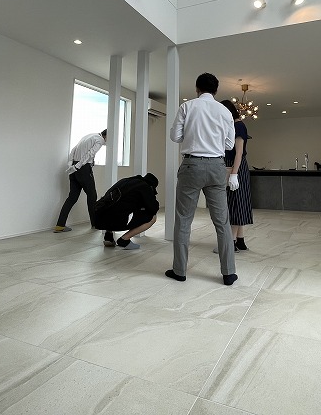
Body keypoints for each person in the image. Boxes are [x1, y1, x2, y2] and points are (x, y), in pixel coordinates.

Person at [167, 73, 238, 286]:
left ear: (197, 88)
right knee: (222, 222)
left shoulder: (187, 106)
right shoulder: (225, 111)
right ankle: (229, 273)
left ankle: (179, 271)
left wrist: (193, 136)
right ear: (216, 91)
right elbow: (229, 145)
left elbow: (175, 137)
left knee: (183, 219)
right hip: (217, 166)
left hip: (192, 165)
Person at [54, 129, 107, 232]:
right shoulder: (100, 140)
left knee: (72, 197)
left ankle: (60, 225)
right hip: (83, 168)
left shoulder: (89, 135)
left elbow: (73, 150)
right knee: (92, 196)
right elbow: (90, 154)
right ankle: (95, 224)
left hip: (73, 168)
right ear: (106, 136)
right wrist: (78, 166)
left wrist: (71, 165)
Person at [94, 173, 160, 250]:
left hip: (99, 217)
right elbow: (153, 208)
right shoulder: (145, 186)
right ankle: (124, 239)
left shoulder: (125, 181)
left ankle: (108, 237)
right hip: (116, 219)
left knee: (114, 206)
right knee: (152, 217)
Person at [220, 99, 253, 252]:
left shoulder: (238, 126)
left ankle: (231, 241)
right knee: (238, 202)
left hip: (235, 166)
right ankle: (240, 240)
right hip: (234, 166)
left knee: (234, 204)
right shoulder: (233, 125)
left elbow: (239, 153)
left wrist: (234, 173)